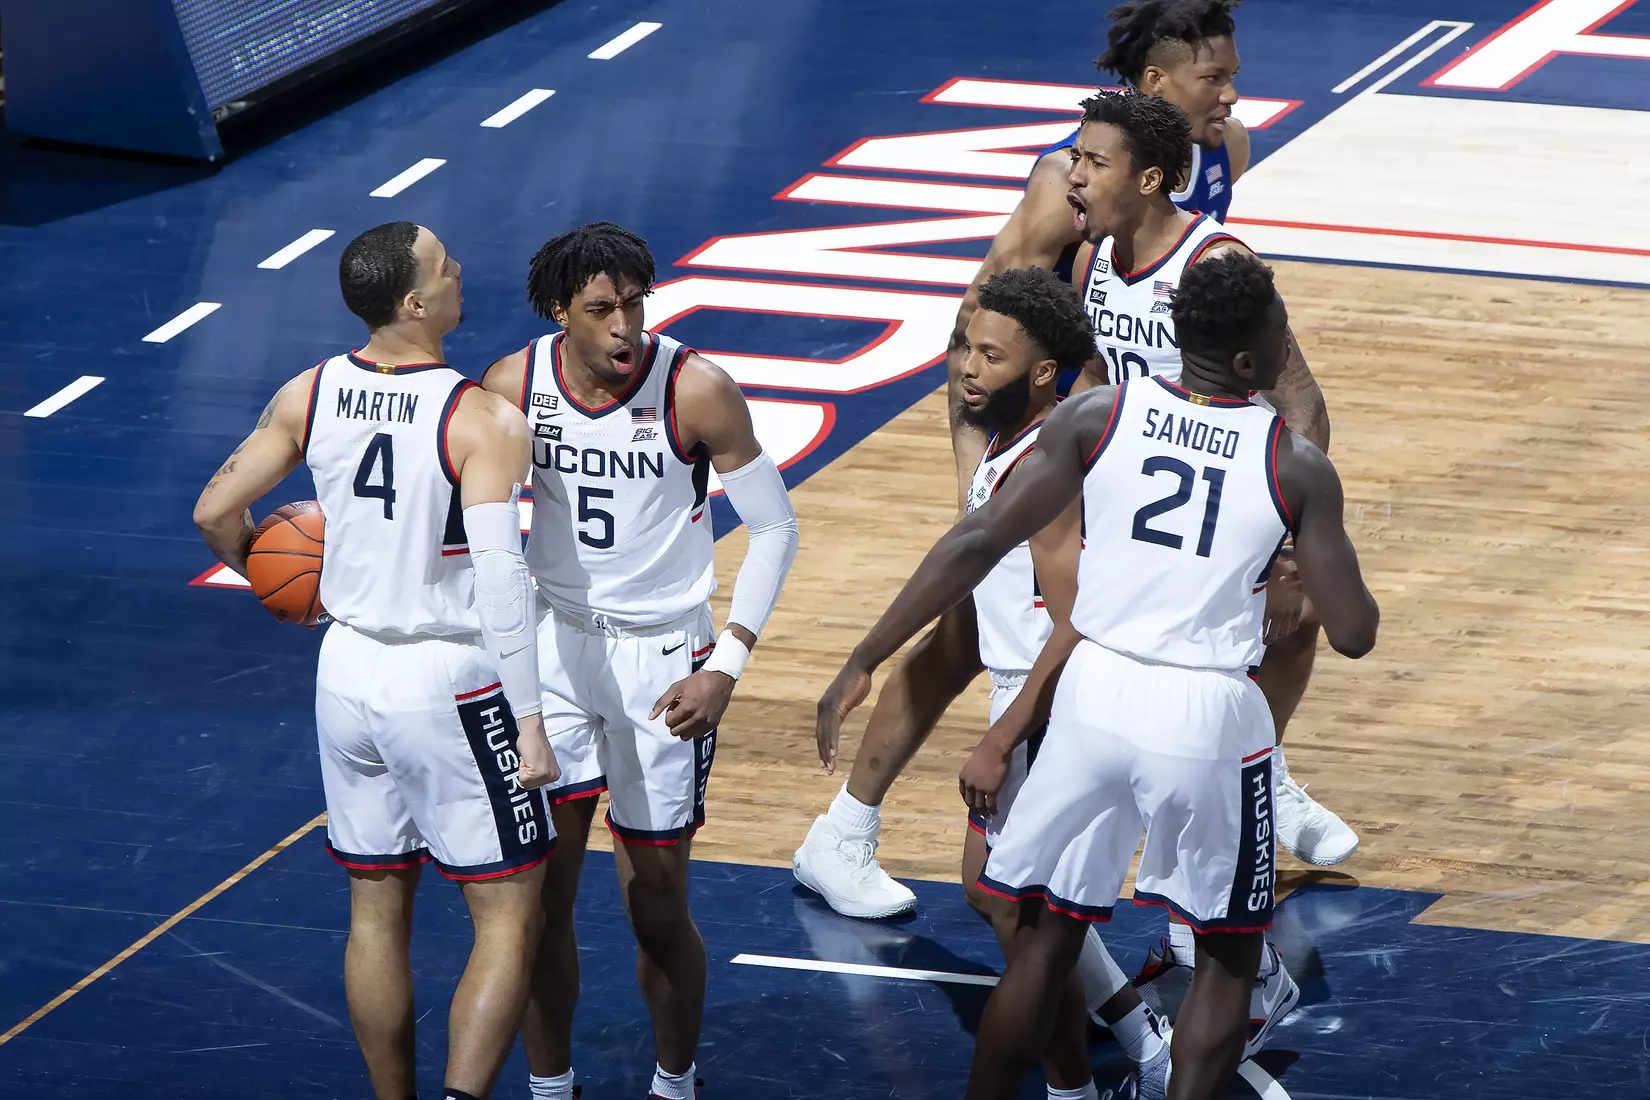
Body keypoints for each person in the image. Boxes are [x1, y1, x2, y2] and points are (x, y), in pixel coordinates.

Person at [817, 250, 1378, 1100]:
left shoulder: (1098, 414)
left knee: (1040, 945)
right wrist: (1296, 553)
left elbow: (977, 539)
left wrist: (865, 653)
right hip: (1207, 712)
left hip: (1092, 693)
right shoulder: (1294, 463)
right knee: (1226, 960)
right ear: (1253, 361)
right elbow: (1355, 631)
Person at [192, 221, 560, 1100]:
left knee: (374, 905)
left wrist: (280, 581)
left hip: (346, 668)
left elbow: (214, 512)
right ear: (413, 303)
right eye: (445, 266)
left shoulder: (308, 392)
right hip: (450, 678)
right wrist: (533, 721)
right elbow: (502, 586)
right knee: (511, 913)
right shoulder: (484, 417)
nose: (461, 268)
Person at [481, 222, 799, 1100]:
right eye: (600, 310)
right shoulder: (512, 385)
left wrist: (726, 664)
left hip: (664, 659)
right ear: (560, 313)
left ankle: (674, 1083)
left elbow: (774, 527)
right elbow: (474, 536)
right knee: (540, 904)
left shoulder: (697, 390)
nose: (625, 327)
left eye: (634, 304)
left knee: (656, 909)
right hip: (552, 649)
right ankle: (552, 1088)